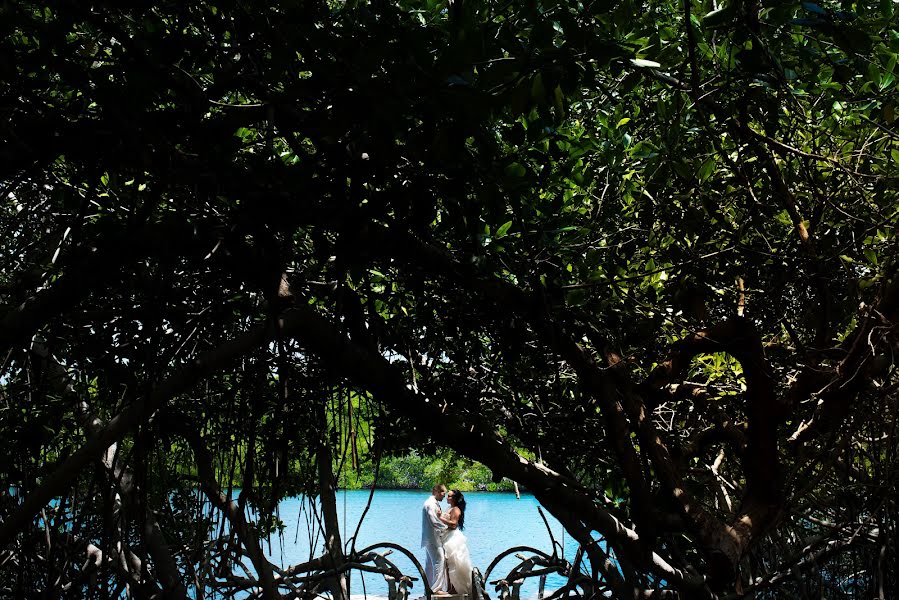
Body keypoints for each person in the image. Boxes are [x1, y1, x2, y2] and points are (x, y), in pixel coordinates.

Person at [439, 490, 472, 598]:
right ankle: (449, 587)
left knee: (453, 563)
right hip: (447, 536)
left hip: (452, 538)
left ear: (454, 498)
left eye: (449, 496)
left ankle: (454, 588)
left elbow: (453, 524)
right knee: (448, 564)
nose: (447, 498)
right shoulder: (450, 508)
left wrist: (441, 518)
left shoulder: (456, 509)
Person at [421, 484, 449, 595]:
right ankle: (436, 589)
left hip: (430, 538)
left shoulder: (431, 503)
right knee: (439, 560)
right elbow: (434, 521)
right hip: (433, 538)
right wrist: (446, 528)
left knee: (429, 565)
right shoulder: (430, 504)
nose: (444, 495)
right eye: (443, 492)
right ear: (436, 491)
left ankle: (428, 589)